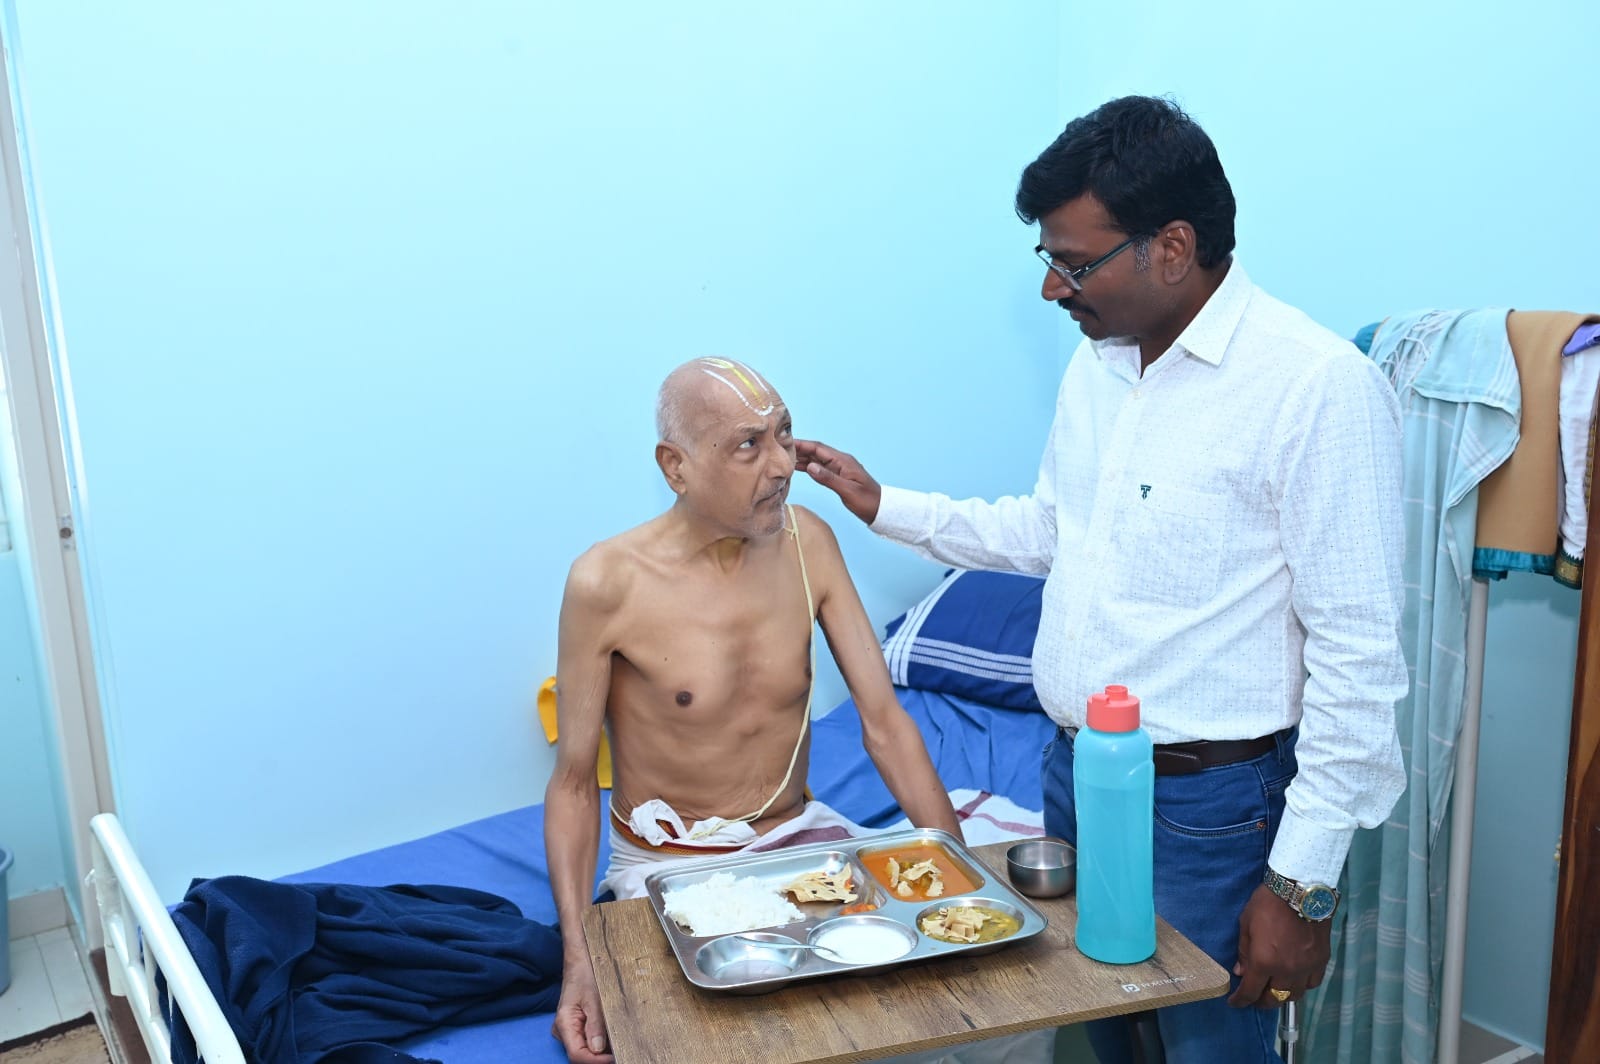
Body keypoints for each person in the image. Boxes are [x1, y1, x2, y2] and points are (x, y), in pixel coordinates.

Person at [797, 96, 1408, 1064]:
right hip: (1077, 774)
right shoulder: (1101, 368)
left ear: (1172, 247)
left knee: (1206, 1048)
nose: (1052, 288)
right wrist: (886, 505)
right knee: (1104, 1035)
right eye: (1045, 260)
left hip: (1208, 806)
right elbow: (1054, 530)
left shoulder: (1314, 387)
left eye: (1074, 263)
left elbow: (1359, 658)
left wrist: (1299, 887)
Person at [544, 357, 963, 1064]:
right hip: (670, 866)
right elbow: (574, 784)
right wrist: (581, 961)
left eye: (784, 434)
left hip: (802, 845)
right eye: (748, 445)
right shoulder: (605, 583)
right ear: (675, 467)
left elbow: (886, 725)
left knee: (961, 1013)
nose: (781, 465)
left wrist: (962, 878)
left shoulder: (808, 543)